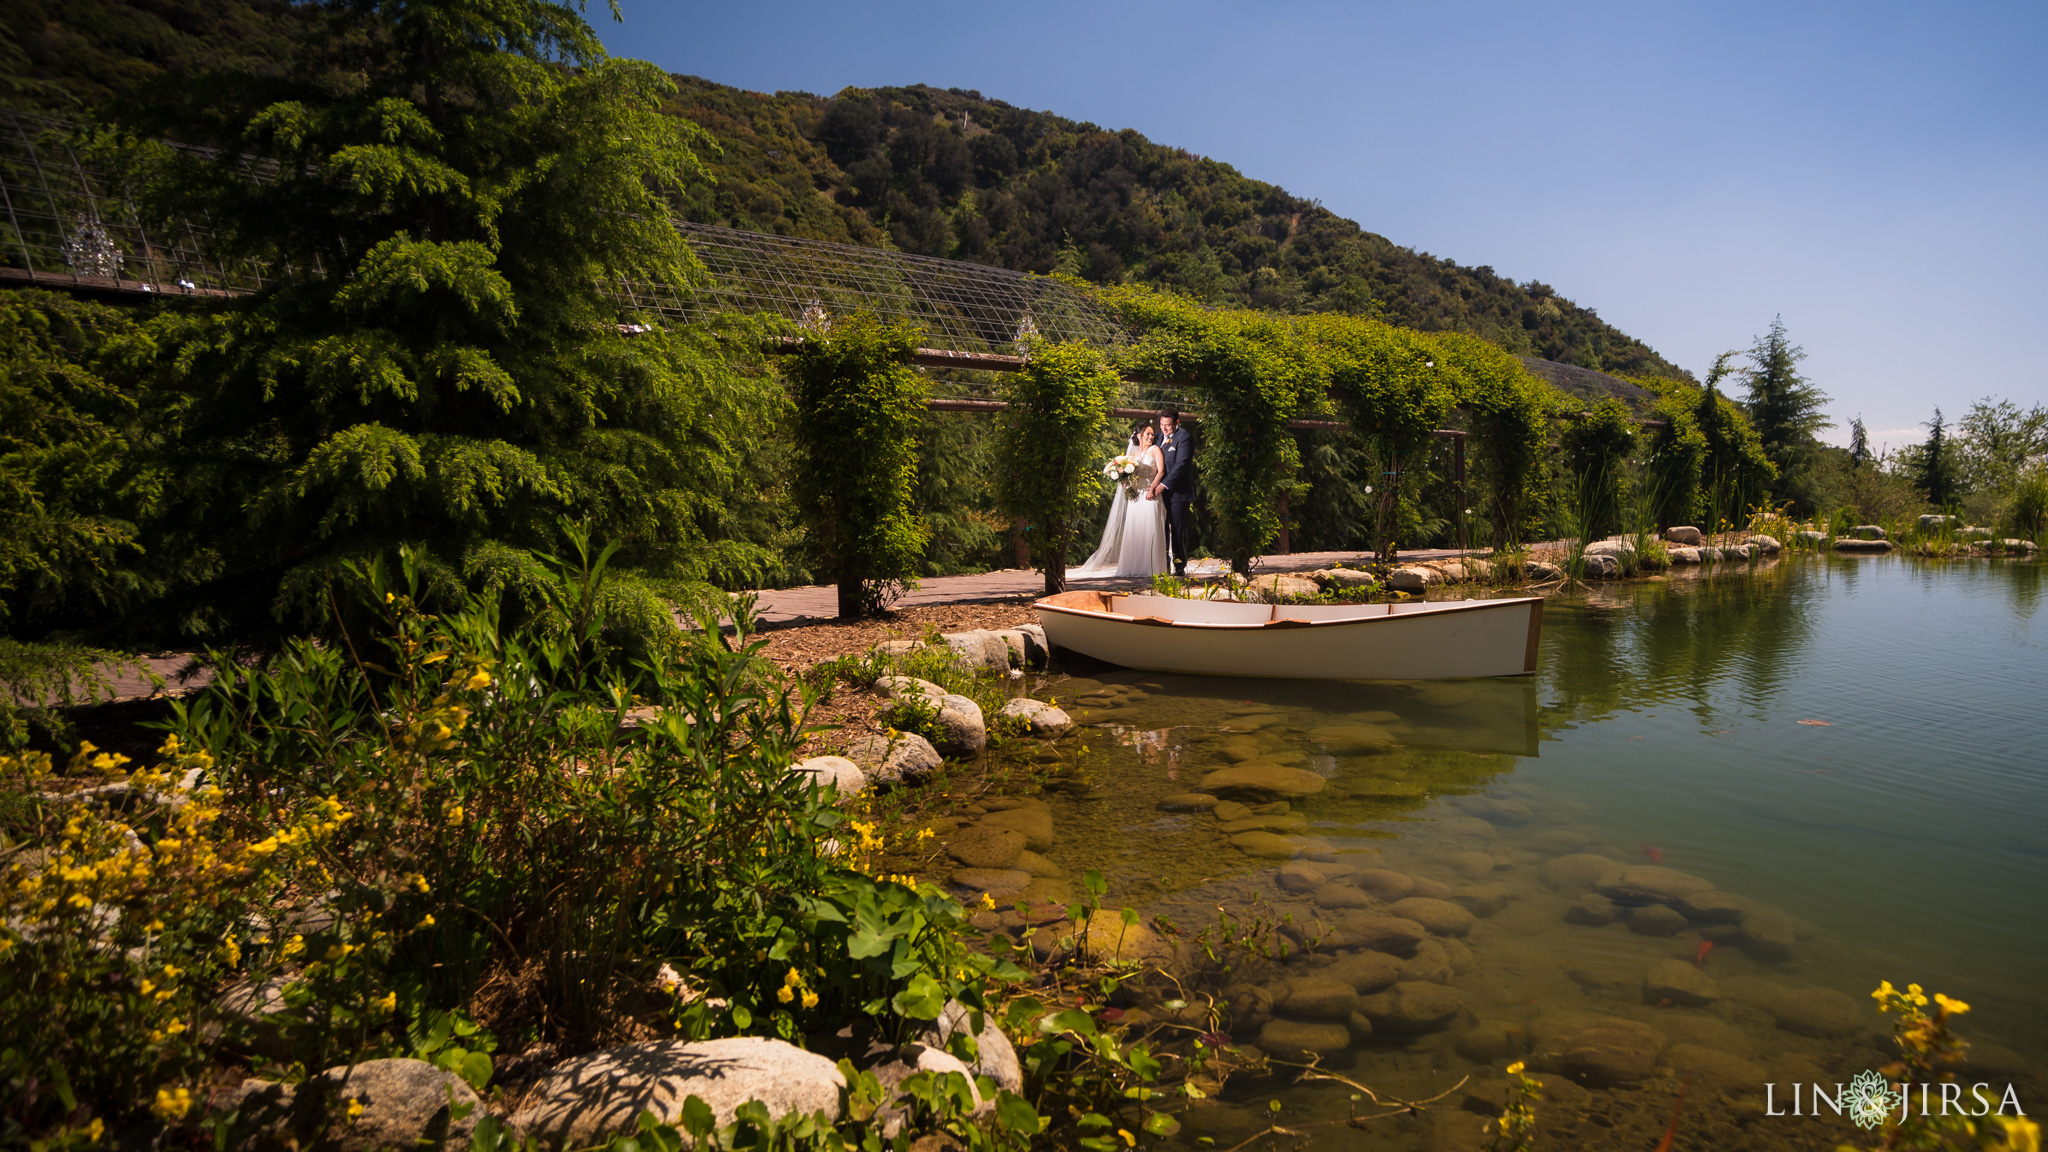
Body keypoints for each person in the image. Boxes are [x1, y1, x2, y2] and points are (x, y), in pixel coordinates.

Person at [1068, 419, 1170, 578]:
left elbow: (1161, 471)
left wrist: (1153, 489)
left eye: (1152, 434)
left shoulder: (1155, 450)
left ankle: (1152, 569)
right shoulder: (1133, 455)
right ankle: (1134, 567)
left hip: (1151, 494)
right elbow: (1129, 474)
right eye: (1147, 434)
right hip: (1135, 496)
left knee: (1150, 529)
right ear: (1139, 435)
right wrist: (1124, 482)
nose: (1151, 436)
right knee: (1135, 530)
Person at [1151, 408, 1196, 576]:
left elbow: (1180, 466)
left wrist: (1163, 485)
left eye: (1168, 425)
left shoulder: (1184, 439)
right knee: (1161, 529)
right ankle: (1163, 564)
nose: (1164, 428)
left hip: (1178, 493)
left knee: (1177, 529)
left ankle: (1179, 566)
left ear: (1177, 423)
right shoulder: (1156, 437)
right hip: (1158, 494)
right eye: (1162, 424)